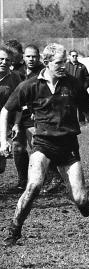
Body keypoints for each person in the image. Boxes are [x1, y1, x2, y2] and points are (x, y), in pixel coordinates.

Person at [1, 43, 89, 247]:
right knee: (33, 186)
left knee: (81, 201)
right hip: (42, 144)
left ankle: (81, 202)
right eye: (59, 62)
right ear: (48, 62)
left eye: (66, 62)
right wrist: (2, 140)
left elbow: (88, 111)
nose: (64, 66)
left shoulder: (73, 84)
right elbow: (5, 111)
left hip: (68, 146)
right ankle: (14, 229)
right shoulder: (31, 85)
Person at [11, 44, 64, 194]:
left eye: (34, 56)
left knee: (38, 145)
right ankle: (23, 181)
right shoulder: (17, 71)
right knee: (18, 148)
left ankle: (53, 177)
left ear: (39, 57)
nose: (31, 59)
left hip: (35, 115)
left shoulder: (43, 70)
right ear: (23, 57)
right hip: (17, 114)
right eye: (28, 56)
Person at [0, 47, 24, 184]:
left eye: (7, 60)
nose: (4, 62)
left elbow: (20, 104)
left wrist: (16, 123)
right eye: (1, 59)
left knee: (1, 167)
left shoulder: (15, 77)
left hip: (6, 123)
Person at [64, 49, 89, 124]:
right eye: (73, 56)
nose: (75, 57)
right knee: (69, 107)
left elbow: (87, 79)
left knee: (81, 106)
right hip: (68, 91)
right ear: (69, 56)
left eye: (76, 56)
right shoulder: (65, 66)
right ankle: (70, 122)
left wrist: (84, 88)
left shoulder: (82, 66)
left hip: (80, 91)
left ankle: (82, 122)